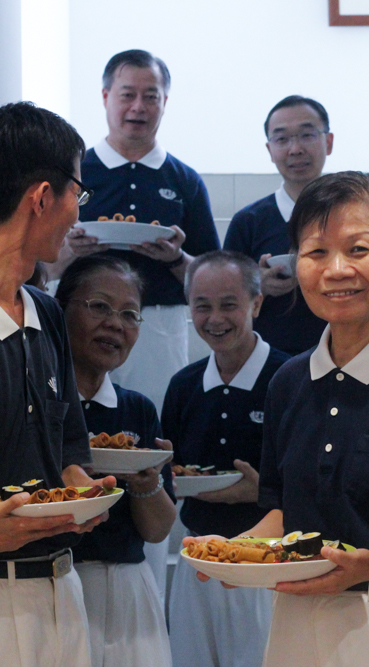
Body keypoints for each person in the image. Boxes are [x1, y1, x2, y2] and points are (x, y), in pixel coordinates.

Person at [185, 172, 369, 666]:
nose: (337, 270)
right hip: (297, 619)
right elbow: (283, 514)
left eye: (358, 250)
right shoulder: (288, 382)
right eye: (316, 253)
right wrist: (231, 551)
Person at [0, 101, 116, 667]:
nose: (78, 212)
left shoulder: (46, 313)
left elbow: (69, 448)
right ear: (42, 197)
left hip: (59, 589)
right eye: (78, 192)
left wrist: (82, 492)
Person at [47, 49, 220, 412]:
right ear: (106, 97)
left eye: (151, 96)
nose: (138, 107)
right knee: (72, 416)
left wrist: (176, 258)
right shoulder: (76, 171)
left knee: (151, 418)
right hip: (78, 318)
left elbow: (211, 277)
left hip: (159, 323)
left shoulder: (185, 179)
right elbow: (39, 264)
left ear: (165, 102)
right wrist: (70, 250)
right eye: (127, 94)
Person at [163, 250, 290, 667]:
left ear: (256, 303)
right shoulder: (183, 386)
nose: (214, 318)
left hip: (265, 566)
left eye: (228, 304)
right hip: (196, 560)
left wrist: (262, 493)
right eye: (202, 306)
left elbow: (313, 481)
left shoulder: (291, 380)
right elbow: (174, 471)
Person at [55, 255, 176, 667]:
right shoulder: (40, 402)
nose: (115, 324)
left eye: (130, 314)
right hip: (56, 582)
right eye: (100, 307)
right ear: (60, 309)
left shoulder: (137, 410)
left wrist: (146, 482)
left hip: (130, 588)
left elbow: (159, 530)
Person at [222, 95, 333, 355]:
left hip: (344, 360)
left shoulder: (352, 218)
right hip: (267, 368)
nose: (295, 149)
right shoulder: (247, 222)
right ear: (270, 150)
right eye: (282, 139)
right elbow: (221, 301)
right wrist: (256, 285)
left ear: (328, 142)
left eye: (307, 135)